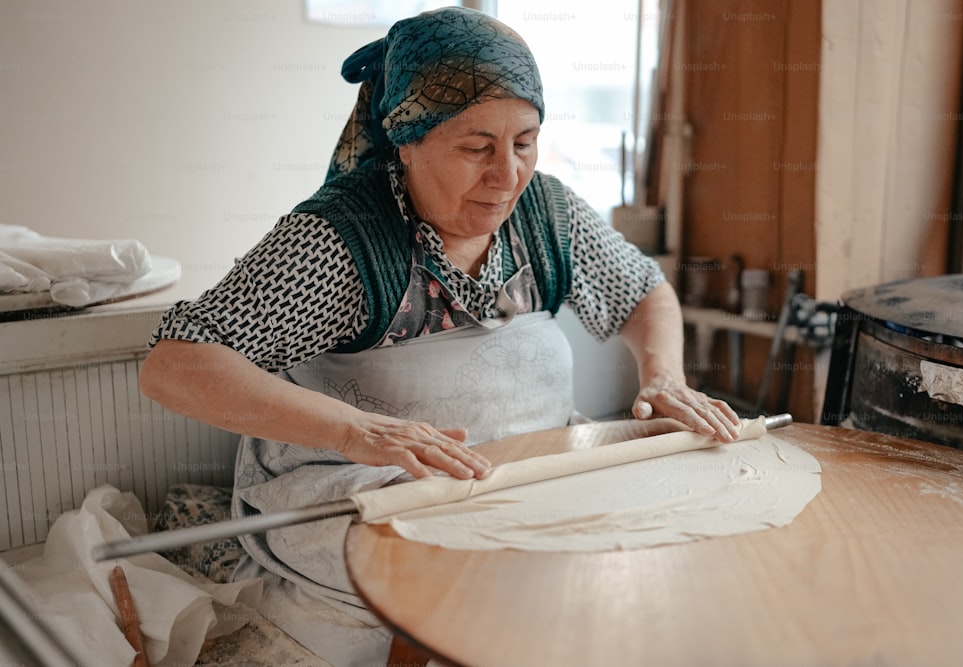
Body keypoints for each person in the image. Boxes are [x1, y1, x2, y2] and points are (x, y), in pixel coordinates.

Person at [140, 6, 739, 665]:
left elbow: (643, 291)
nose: (507, 173)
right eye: (476, 147)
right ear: (407, 139)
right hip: (355, 483)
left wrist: (664, 376)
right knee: (478, 589)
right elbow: (175, 363)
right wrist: (359, 432)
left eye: (525, 141)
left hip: (517, 468)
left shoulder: (548, 212)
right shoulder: (340, 238)